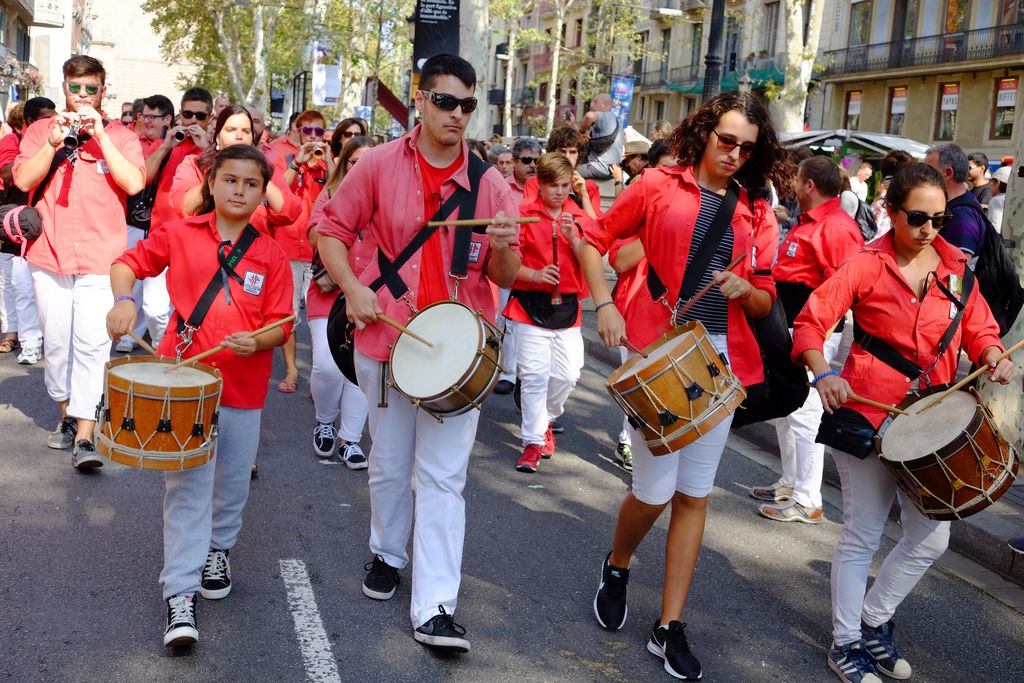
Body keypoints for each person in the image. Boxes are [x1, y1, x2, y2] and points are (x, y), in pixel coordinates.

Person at [316, 53, 519, 654]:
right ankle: (387, 552)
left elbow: (506, 275)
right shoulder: (379, 164)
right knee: (387, 463)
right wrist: (352, 288)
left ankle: (434, 607)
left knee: (443, 478)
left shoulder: (491, 184)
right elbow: (330, 231)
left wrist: (505, 247)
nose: (458, 114)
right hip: (387, 337)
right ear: (422, 100)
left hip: (458, 352)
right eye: (446, 101)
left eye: (468, 105)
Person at [580, 92, 784, 680]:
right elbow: (593, 239)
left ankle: (669, 626)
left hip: (720, 360)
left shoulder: (757, 210)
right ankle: (618, 562)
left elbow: (767, 298)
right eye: (727, 140)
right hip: (660, 349)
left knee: (694, 495)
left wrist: (747, 290)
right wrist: (604, 303)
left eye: (747, 147)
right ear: (706, 133)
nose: (735, 153)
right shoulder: (657, 184)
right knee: (653, 491)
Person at [792, 162, 1013, 683]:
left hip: (931, 425)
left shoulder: (956, 267)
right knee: (862, 534)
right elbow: (810, 323)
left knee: (931, 540)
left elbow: (980, 329)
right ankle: (845, 641)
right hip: (869, 414)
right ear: (891, 212)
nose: (929, 229)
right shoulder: (866, 264)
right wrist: (824, 373)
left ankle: (873, 619)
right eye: (917, 218)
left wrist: (992, 354)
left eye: (939, 219)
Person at [107, 144, 293, 648]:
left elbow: (282, 324)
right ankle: (180, 595)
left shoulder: (272, 254)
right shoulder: (180, 232)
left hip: (243, 387)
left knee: (231, 487)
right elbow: (126, 264)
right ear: (211, 183)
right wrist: (123, 300)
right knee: (187, 491)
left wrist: (259, 341)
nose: (239, 190)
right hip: (183, 383)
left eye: (251, 184)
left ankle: (220, 550)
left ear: (263, 192)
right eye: (230, 179)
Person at [12, 55, 146, 466]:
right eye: (75, 87)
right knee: (56, 348)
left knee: (92, 346)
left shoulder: (121, 135)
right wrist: (53, 142)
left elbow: (134, 183)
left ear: (103, 90)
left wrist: (101, 135)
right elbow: (22, 179)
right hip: (49, 255)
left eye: (91, 88)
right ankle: (66, 414)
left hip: (101, 259)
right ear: (65, 87)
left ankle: (86, 434)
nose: (83, 95)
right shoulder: (41, 129)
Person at [752, 156, 863, 524]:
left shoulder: (836, 227)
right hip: (793, 325)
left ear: (809, 185)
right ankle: (791, 482)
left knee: (805, 413)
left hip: (812, 330)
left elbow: (844, 288)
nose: (793, 185)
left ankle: (808, 497)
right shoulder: (813, 220)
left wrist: (818, 339)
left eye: (798, 180)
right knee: (788, 408)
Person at [507, 153, 592, 473]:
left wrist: (574, 240)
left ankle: (546, 420)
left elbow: (594, 263)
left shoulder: (579, 217)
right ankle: (532, 442)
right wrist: (535, 275)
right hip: (529, 305)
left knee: (568, 374)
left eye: (565, 185)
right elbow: (506, 266)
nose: (559, 191)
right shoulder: (523, 214)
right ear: (539, 185)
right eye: (553, 185)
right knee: (533, 376)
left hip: (568, 308)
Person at [307, 136, 375, 467]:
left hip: (370, 291)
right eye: (355, 162)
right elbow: (314, 236)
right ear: (344, 164)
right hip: (329, 290)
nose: (361, 168)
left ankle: (350, 438)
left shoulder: (387, 197)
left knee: (360, 368)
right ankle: (324, 421)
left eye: (368, 162)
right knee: (325, 364)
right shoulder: (331, 194)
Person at [167, 105, 300, 236]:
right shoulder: (194, 164)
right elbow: (183, 206)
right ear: (218, 138)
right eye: (231, 130)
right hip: (203, 245)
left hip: (253, 248)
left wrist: (258, 173)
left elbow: (289, 213)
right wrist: (221, 169)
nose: (239, 136)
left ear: (252, 139)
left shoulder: (268, 169)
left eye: (246, 131)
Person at [272, 109, 332, 394]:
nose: (313, 136)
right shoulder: (282, 155)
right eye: (308, 130)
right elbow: (275, 193)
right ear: (296, 129)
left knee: (320, 317)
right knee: (289, 313)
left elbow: (342, 190)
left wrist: (329, 160)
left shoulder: (327, 161)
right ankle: (292, 371)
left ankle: (319, 375)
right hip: (287, 245)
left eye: (319, 131)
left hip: (318, 248)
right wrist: (297, 163)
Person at [117, 93, 178, 353]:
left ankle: (160, 344)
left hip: (169, 224)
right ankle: (134, 334)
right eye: (144, 116)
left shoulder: (183, 143)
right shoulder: (135, 140)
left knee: (161, 297)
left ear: (168, 119)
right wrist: (163, 146)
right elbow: (142, 179)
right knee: (136, 280)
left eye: (153, 117)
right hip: (137, 220)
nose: (146, 121)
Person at [0, 97, 54, 366]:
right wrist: (39, 154)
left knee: (46, 290)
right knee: (19, 285)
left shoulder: (62, 139)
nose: (52, 122)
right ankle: (28, 341)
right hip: (19, 224)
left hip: (50, 224)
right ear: (30, 122)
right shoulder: (14, 141)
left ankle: (46, 340)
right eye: (46, 118)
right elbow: (8, 173)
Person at [493, 136, 543, 397]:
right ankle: (508, 372)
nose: (532, 165)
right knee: (507, 319)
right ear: (514, 162)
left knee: (532, 325)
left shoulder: (546, 188)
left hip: (538, 264)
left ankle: (527, 374)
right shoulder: (501, 189)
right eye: (526, 160)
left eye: (536, 160)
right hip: (510, 262)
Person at [924, 143, 987, 265]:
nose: (922, 175)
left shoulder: (961, 215)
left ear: (948, 173)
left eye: (928, 171)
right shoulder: (959, 205)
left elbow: (959, 269)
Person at [577, 94, 624, 180]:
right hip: (612, 171)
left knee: (565, 172)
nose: (591, 105)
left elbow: (589, 116)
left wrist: (581, 131)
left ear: (604, 105)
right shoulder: (616, 121)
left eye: (595, 102)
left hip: (598, 167)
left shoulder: (605, 116)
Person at [988, 165, 1010, 233]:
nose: (990, 185)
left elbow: (995, 229)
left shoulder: (996, 201)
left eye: (991, 181)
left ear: (997, 183)